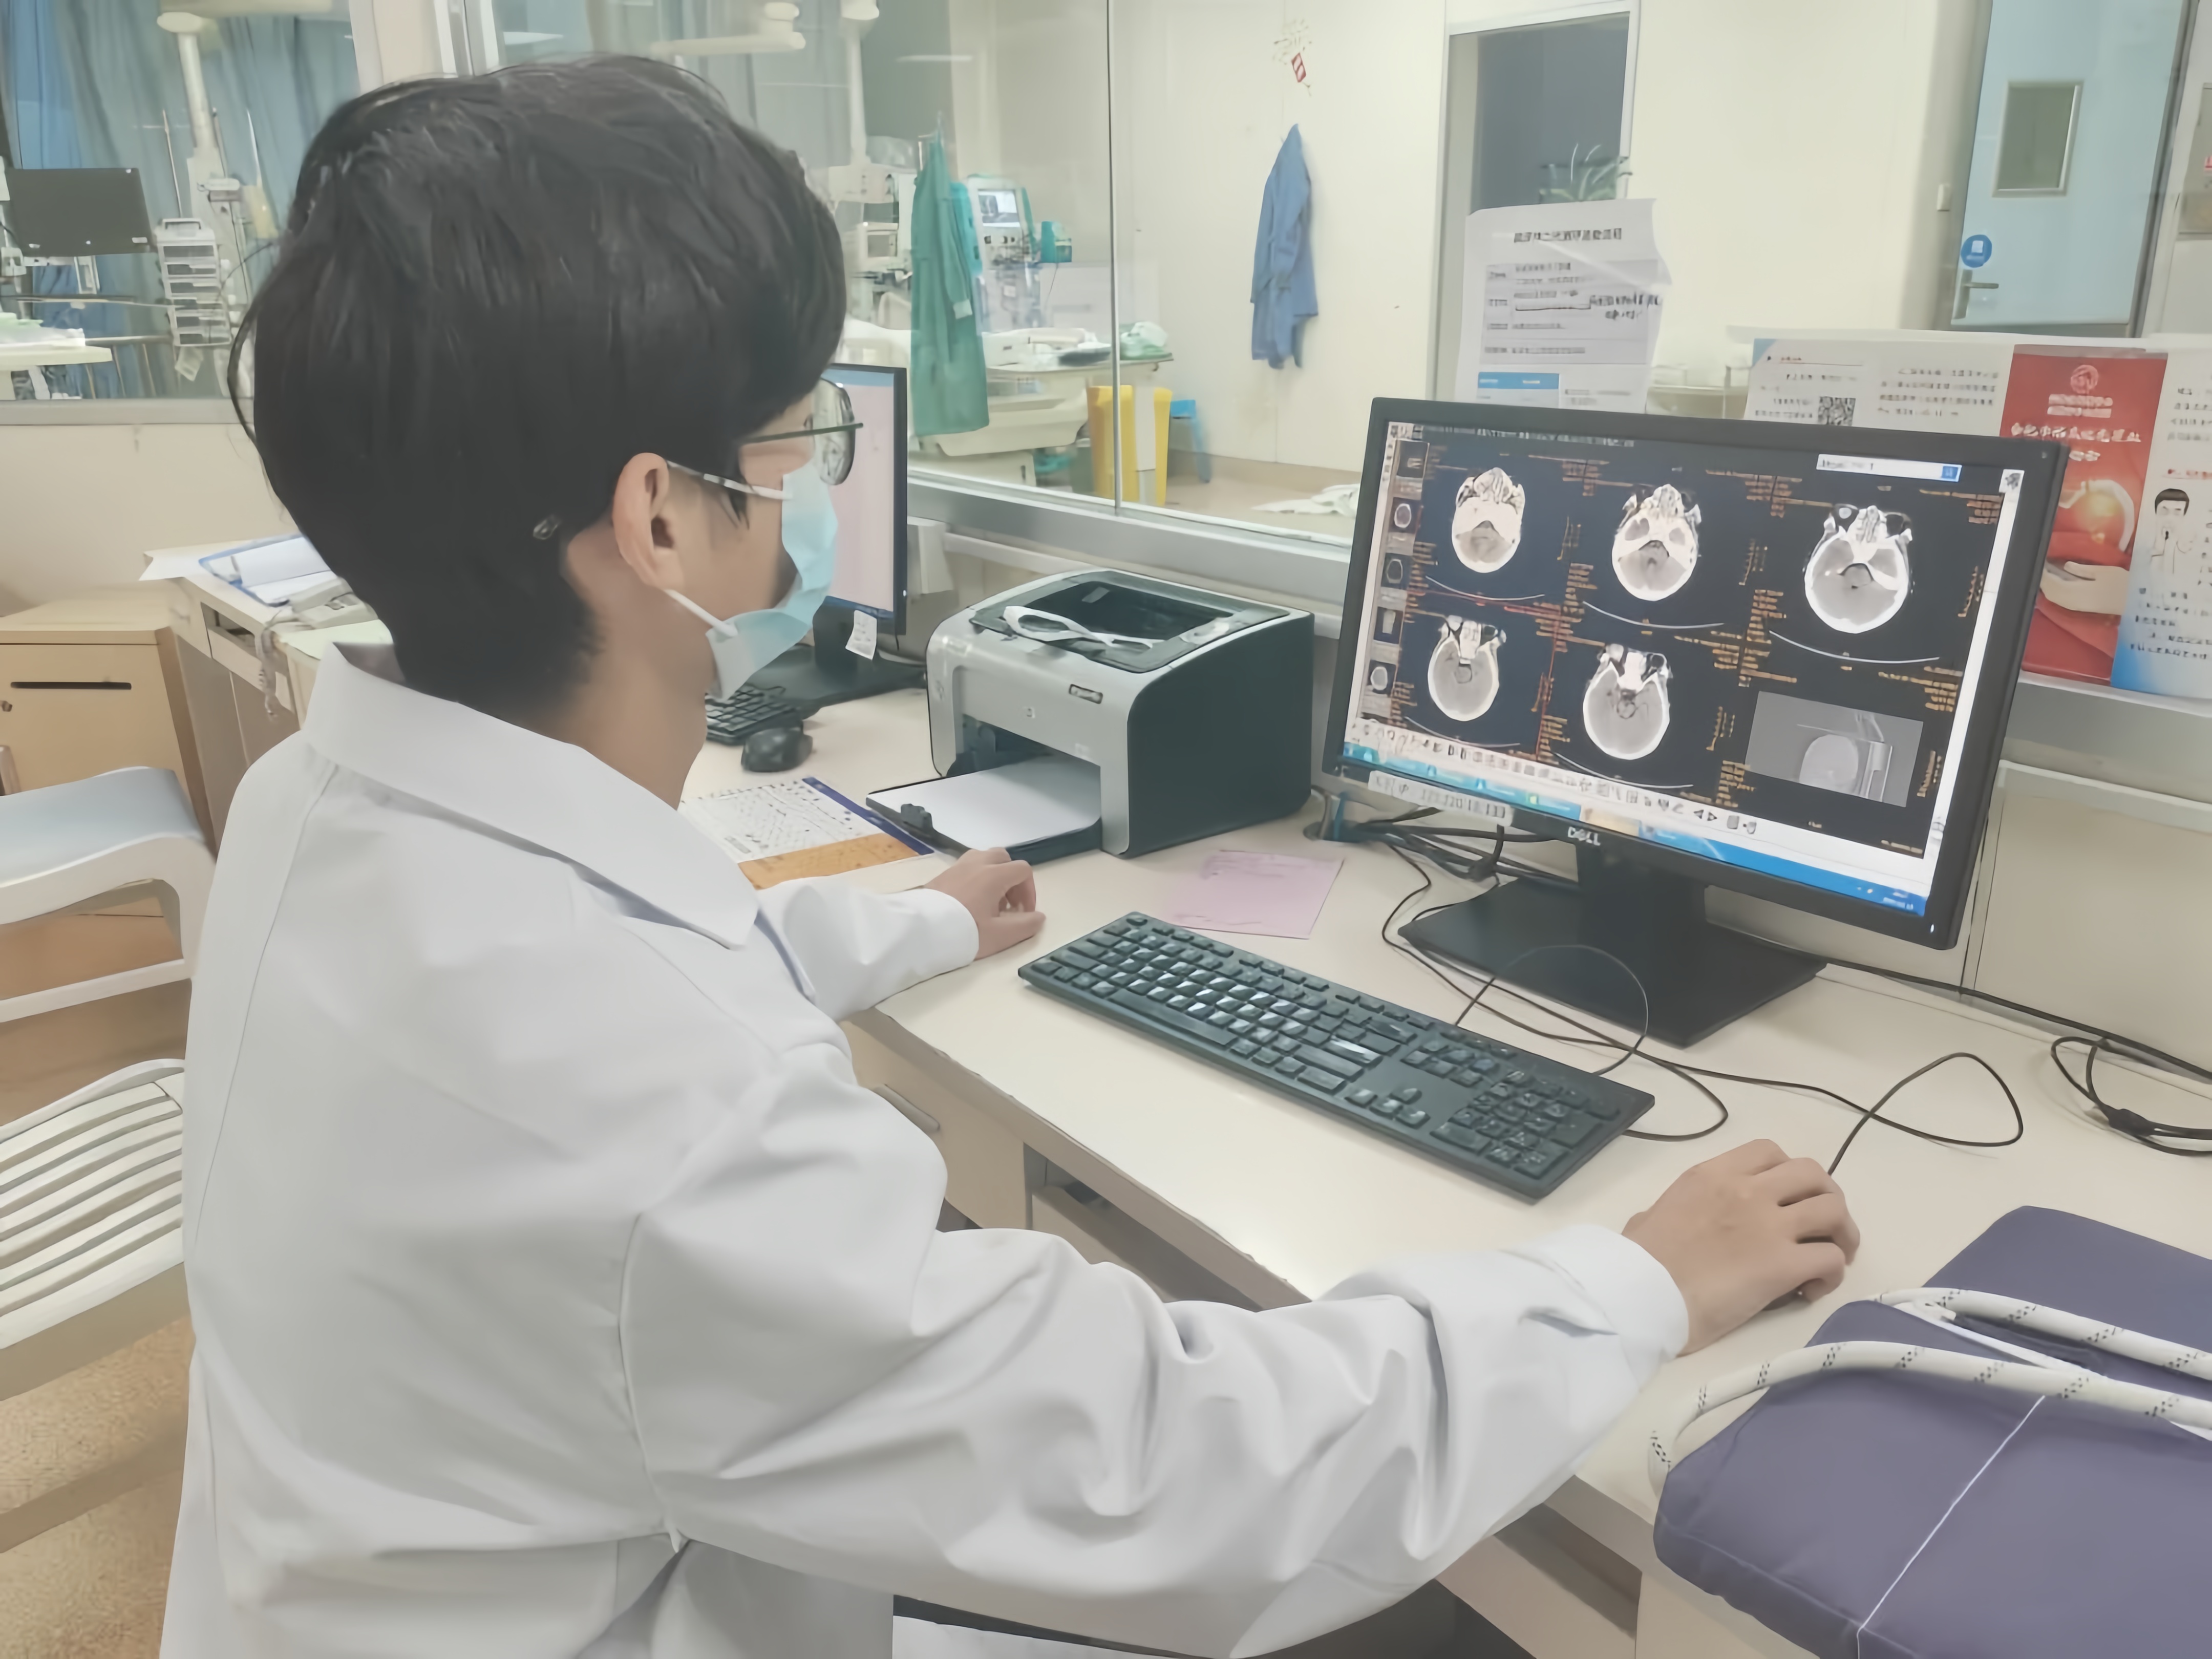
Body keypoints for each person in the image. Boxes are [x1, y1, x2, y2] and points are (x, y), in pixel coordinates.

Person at [163, 59, 1859, 1658]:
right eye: (793, 441)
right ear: (659, 517)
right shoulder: (655, 1120)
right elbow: (1189, 1479)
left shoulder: (325, 807)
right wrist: (1632, 1283)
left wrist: (901, 929)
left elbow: (620, 998)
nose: (811, 488)